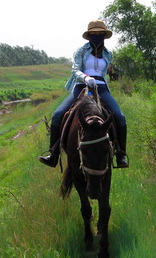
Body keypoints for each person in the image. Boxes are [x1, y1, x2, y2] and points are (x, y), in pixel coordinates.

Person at [39, 20, 129, 168]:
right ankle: (53, 154)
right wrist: (86, 78)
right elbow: (75, 70)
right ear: (89, 35)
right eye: (94, 33)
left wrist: (99, 79)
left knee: (120, 117)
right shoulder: (81, 51)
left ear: (104, 35)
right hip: (81, 86)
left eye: (100, 33)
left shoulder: (108, 54)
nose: (97, 35)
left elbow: (104, 72)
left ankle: (120, 155)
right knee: (58, 114)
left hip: (102, 88)